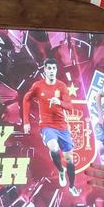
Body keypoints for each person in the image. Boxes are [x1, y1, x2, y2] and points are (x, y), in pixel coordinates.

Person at [22, 58, 81, 194]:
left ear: (56, 70)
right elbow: (26, 99)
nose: (52, 71)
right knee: (54, 148)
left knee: (70, 160)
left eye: (54, 68)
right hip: (47, 125)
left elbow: (69, 106)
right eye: (49, 68)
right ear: (45, 70)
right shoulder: (38, 85)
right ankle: (60, 170)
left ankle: (71, 186)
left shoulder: (62, 86)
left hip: (62, 127)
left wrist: (59, 102)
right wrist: (26, 122)